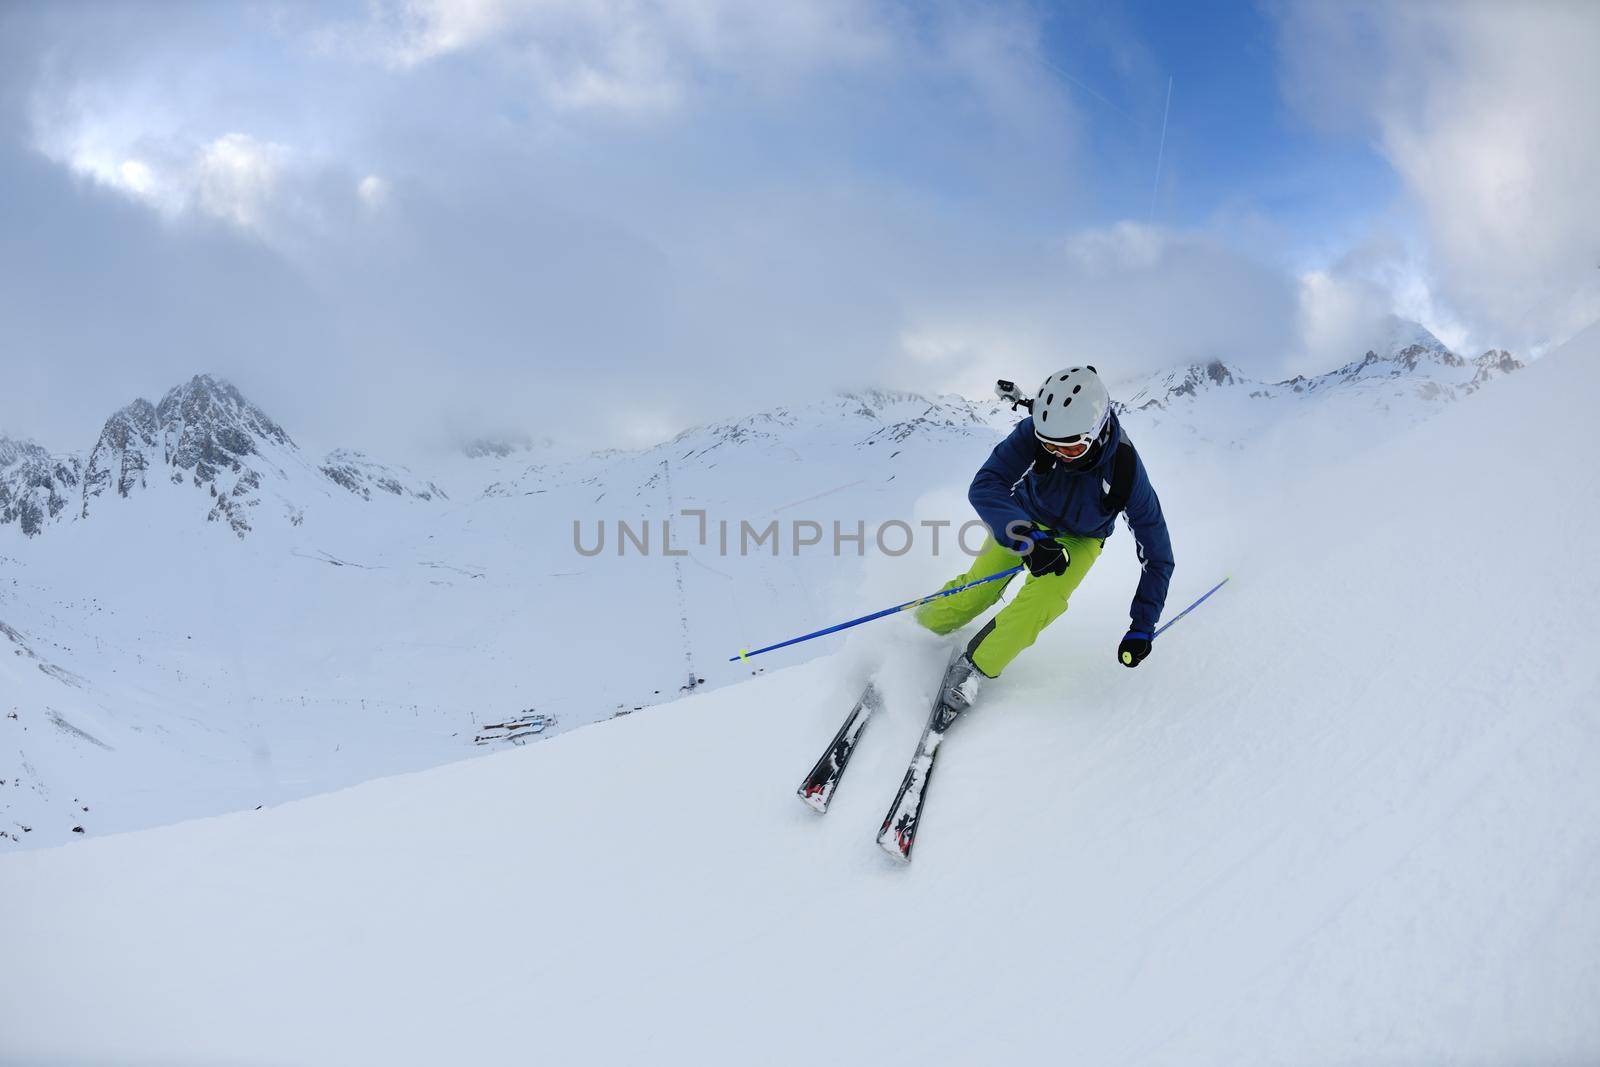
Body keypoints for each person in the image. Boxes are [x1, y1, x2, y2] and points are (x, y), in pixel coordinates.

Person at [914, 365, 1174, 710]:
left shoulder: (1125, 471)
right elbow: (986, 485)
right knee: (979, 588)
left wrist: (1143, 625)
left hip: (1080, 539)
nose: (1056, 454)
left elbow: (1157, 556)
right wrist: (1027, 539)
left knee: (1041, 603)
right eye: (1049, 445)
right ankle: (915, 631)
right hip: (1024, 516)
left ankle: (975, 668)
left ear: (1095, 433)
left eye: (1069, 449)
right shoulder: (1036, 431)